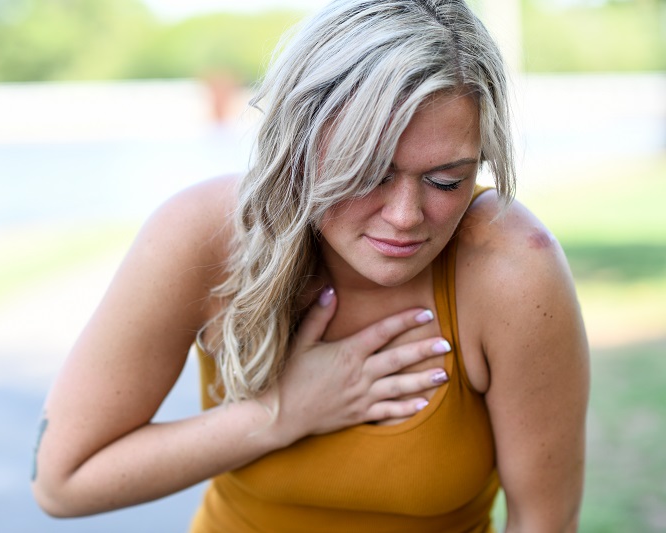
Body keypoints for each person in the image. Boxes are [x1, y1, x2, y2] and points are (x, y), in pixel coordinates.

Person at [31, 1, 589, 531]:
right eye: (367, 172)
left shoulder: (512, 269)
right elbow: (63, 481)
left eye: (446, 180)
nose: (404, 217)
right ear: (298, 144)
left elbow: (545, 522)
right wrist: (280, 413)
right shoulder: (207, 233)